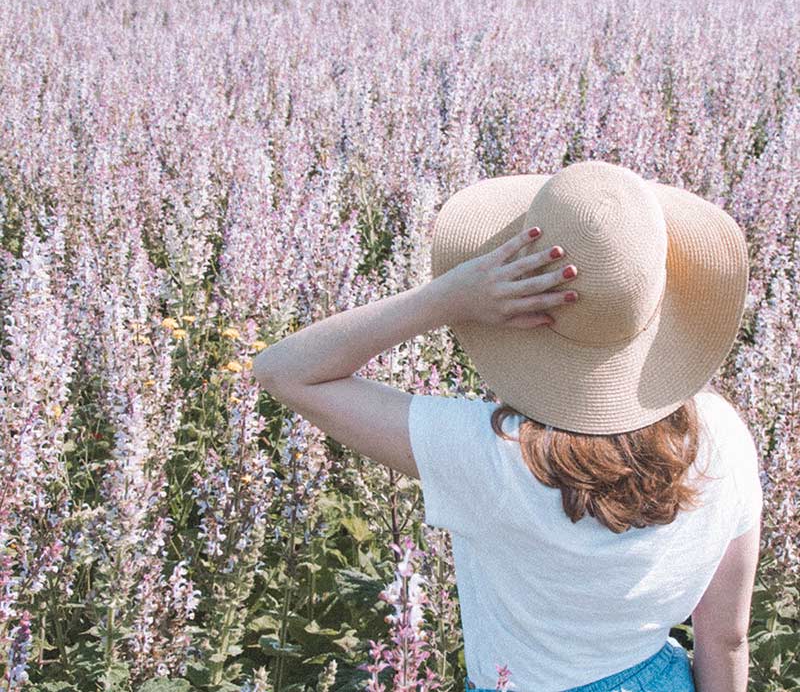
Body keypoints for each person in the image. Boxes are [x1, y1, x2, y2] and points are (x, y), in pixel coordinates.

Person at [253, 159, 764, 692]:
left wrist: (445, 299)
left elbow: (284, 372)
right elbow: (727, 638)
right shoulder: (720, 436)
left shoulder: (490, 452)